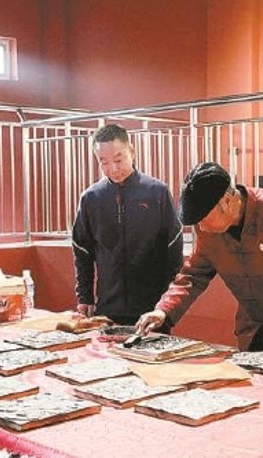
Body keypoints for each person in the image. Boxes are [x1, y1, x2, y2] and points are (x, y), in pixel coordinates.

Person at [136, 162, 263, 363]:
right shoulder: (209, 231)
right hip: (251, 330)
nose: (201, 228)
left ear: (226, 201)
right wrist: (163, 310)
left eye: (203, 219)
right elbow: (193, 275)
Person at [72, 124, 183, 331]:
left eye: (118, 159)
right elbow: (82, 252)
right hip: (107, 306)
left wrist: (166, 305)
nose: (113, 169)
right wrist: (84, 296)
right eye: (104, 162)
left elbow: (173, 250)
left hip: (152, 308)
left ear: (132, 152)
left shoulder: (157, 192)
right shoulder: (91, 198)